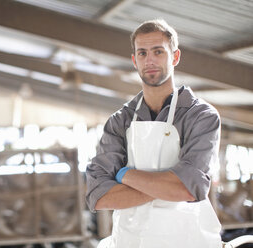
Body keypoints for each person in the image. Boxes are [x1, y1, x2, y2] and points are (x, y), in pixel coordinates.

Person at [85, 19, 222, 248]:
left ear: (175, 57)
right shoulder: (120, 121)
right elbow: (98, 196)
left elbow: (189, 188)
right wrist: (167, 187)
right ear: (134, 60)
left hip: (188, 240)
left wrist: (124, 174)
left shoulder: (201, 116)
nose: (149, 60)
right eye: (142, 53)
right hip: (130, 241)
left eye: (158, 51)